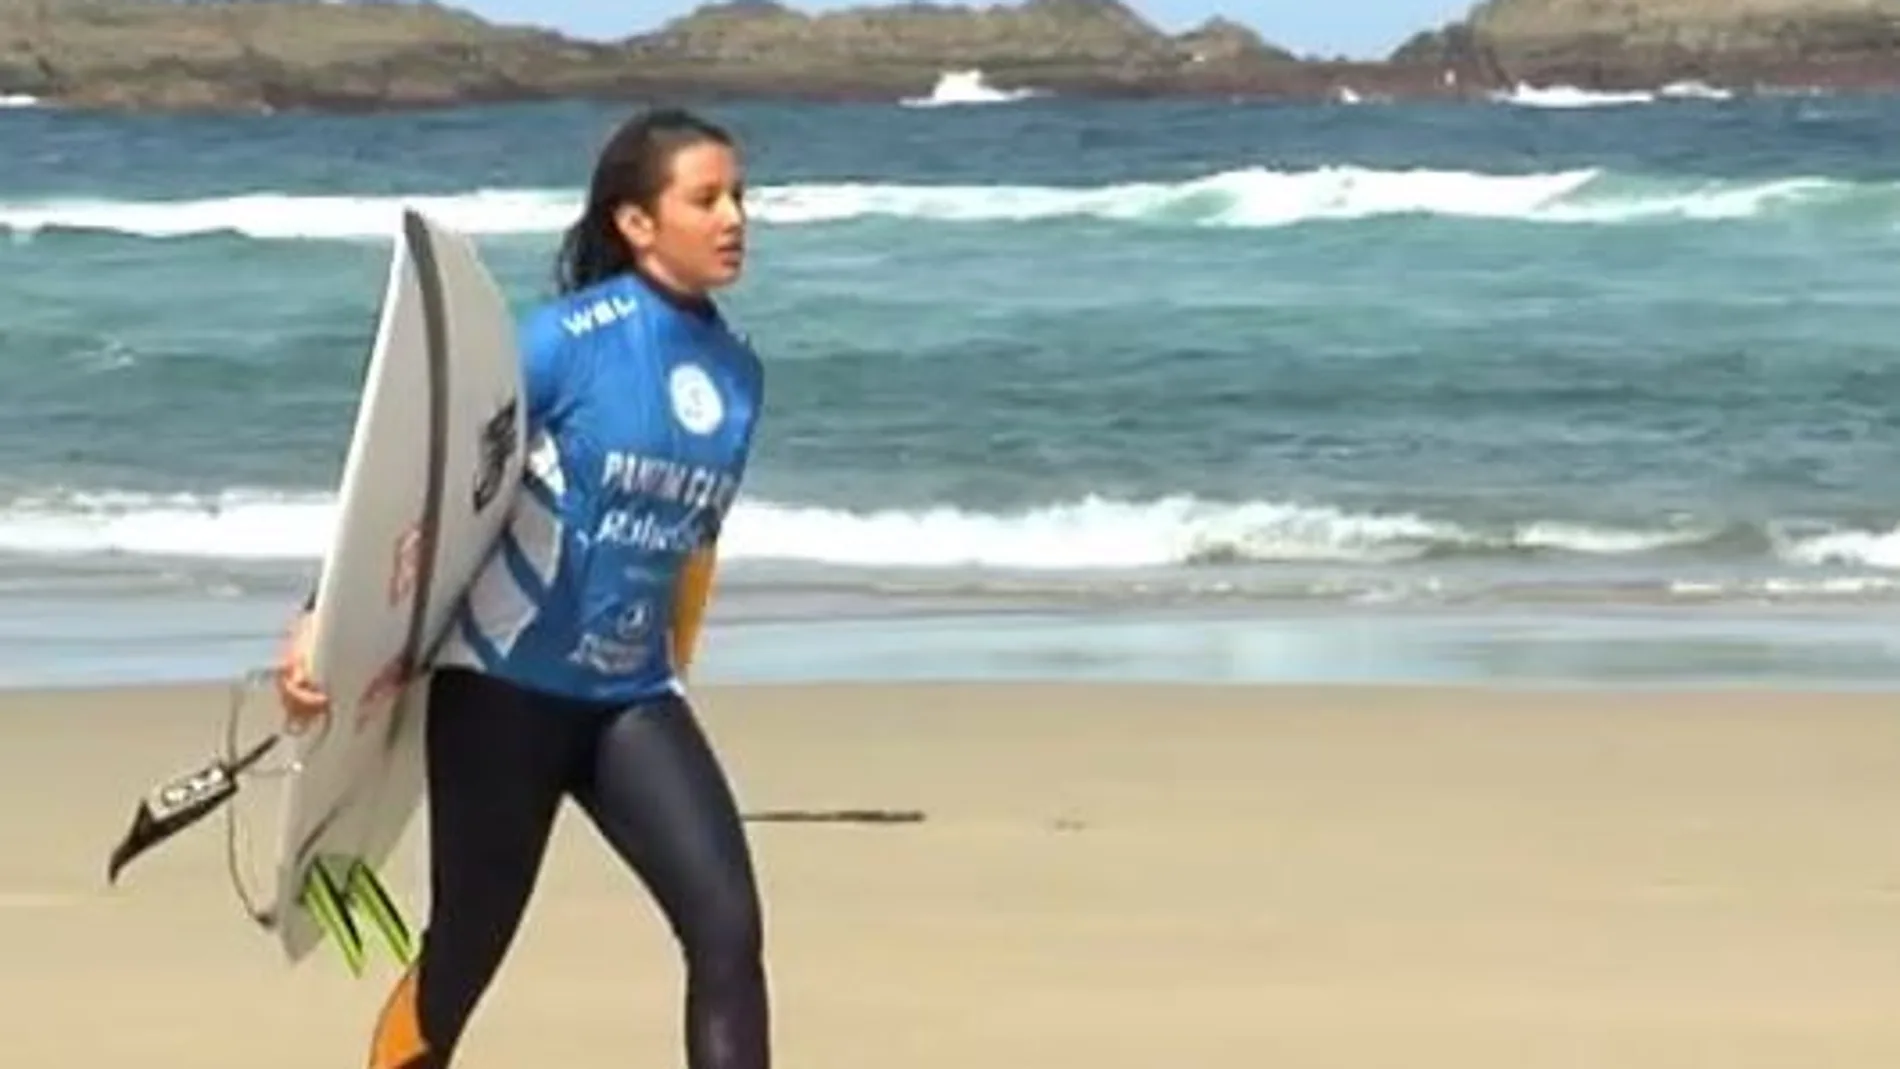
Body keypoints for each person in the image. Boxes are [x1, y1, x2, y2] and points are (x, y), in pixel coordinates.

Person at [273, 106, 769, 1069]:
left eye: (740, 197)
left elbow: (692, 547)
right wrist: (318, 627)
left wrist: (678, 661)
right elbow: (415, 480)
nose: (734, 217)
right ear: (636, 222)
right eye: (706, 198)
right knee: (464, 950)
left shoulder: (740, 375)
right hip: (503, 691)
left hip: (629, 698)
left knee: (727, 928)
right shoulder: (562, 342)